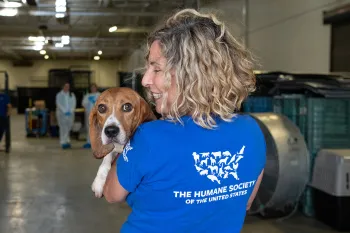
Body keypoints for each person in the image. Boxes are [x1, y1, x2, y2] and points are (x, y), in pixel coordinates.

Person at [102, 9, 266, 233]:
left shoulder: (150, 137)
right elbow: (246, 202)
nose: (146, 79)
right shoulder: (252, 131)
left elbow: (111, 194)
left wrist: (121, 151)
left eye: (156, 68)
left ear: (190, 75)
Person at [55, 82, 76, 149]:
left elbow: (74, 103)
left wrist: (71, 110)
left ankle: (67, 140)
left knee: (69, 127)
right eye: (66, 86)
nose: (67, 88)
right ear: (63, 87)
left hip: (70, 114)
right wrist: (64, 111)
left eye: (68, 86)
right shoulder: (59, 95)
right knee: (62, 128)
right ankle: (63, 142)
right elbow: (58, 103)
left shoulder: (71, 94)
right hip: (61, 114)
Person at [82, 83, 100, 148]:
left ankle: (96, 143)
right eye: (92, 87)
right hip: (88, 114)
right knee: (89, 128)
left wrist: (95, 102)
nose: (93, 89)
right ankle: (88, 142)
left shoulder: (99, 95)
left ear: (96, 88)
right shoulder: (87, 95)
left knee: (97, 128)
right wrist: (88, 101)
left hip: (96, 114)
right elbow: (83, 103)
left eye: (94, 87)